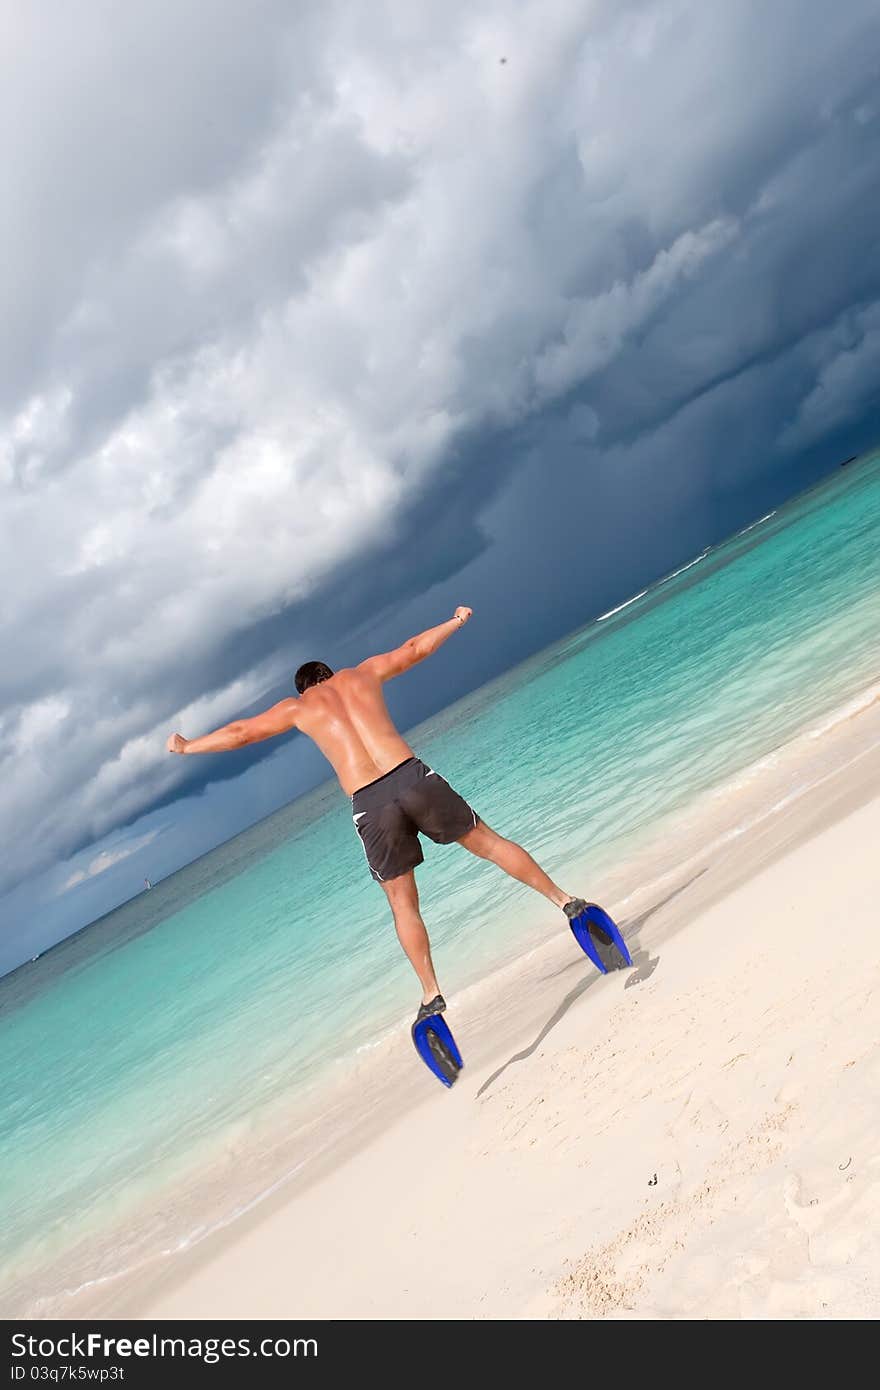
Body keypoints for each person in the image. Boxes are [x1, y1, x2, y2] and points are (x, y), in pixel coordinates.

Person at [167, 608, 590, 1023]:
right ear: (330, 674)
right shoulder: (362, 674)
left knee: (402, 904)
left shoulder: (296, 709)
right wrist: (456, 620)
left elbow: (240, 733)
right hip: (412, 777)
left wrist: (188, 747)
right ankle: (566, 902)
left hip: (371, 805)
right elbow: (414, 649)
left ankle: (431, 992)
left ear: (304, 690)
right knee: (490, 843)